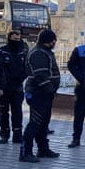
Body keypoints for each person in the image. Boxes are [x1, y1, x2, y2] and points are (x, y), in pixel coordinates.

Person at [19, 29, 61, 162]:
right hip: (38, 93)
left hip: (44, 93)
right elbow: (40, 75)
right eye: (53, 40)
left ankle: (43, 149)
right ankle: (25, 152)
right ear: (49, 41)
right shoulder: (38, 53)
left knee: (43, 123)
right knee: (35, 122)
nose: (55, 43)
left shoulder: (45, 51)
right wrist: (50, 89)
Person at [0, 29, 28, 144]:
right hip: (4, 88)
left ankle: (17, 134)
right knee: (3, 111)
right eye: (14, 39)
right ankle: (4, 134)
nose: (17, 41)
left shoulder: (23, 52)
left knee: (17, 111)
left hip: (17, 87)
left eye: (18, 39)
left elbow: (27, 68)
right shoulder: (1, 52)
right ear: (9, 38)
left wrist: (21, 78)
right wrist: (3, 82)